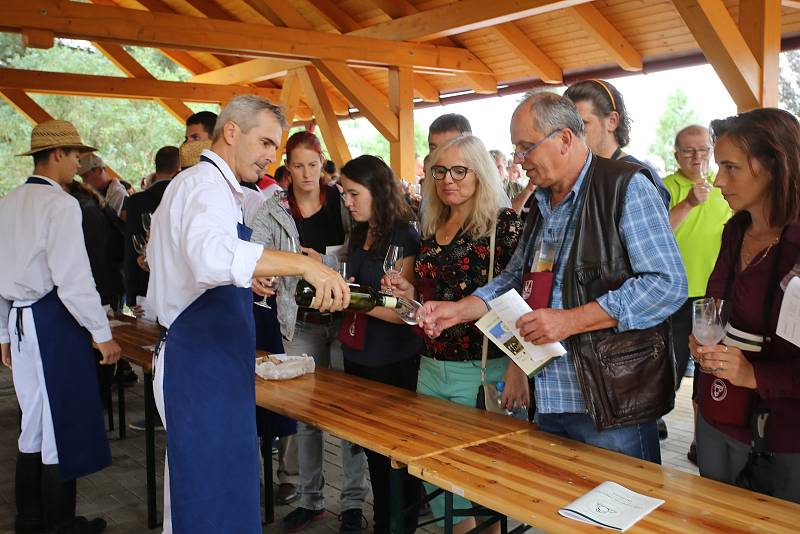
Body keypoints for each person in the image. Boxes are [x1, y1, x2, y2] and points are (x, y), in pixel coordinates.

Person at [421, 92, 686, 466]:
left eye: (527, 147)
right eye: (516, 149)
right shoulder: (543, 203)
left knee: (617, 518)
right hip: (549, 396)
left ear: (564, 139)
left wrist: (570, 321)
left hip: (610, 401)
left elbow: (666, 284)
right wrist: (460, 310)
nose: (519, 159)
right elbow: (517, 277)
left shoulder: (625, 186)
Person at [146, 95, 350, 533]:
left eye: (274, 148)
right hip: (197, 360)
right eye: (264, 143)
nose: (268, 157)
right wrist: (302, 263)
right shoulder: (204, 185)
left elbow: (198, 263)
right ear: (232, 132)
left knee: (214, 485)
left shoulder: (214, 187)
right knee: (207, 492)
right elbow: (209, 256)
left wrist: (244, 277)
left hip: (213, 359)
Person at [384, 135, 520, 534]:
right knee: (434, 472)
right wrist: (407, 295)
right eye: (440, 171)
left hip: (480, 370)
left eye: (460, 170)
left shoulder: (504, 225)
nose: (448, 180)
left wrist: (517, 367)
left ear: (481, 174)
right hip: (431, 364)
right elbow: (429, 300)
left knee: (478, 482)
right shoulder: (431, 225)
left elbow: (520, 301)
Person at [0, 119, 122, 534]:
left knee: (33, 421)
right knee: (58, 422)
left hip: (20, 319)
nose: (77, 163)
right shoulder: (61, 205)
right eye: (73, 155)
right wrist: (102, 335)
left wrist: (3, 331)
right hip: (51, 320)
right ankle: (60, 522)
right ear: (56, 155)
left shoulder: (9, 201)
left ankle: (30, 518)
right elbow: (73, 278)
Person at [690, 108, 800, 504]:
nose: (718, 180)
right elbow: (717, 308)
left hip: (785, 438)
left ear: (774, 164)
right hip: (719, 416)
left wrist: (755, 375)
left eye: (730, 167)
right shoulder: (735, 232)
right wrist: (700, 341)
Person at [280, 131, 369, 534]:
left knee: (349, 414)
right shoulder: (279, 207)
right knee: (306, 415)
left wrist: (324, 258)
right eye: (298, 165)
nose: (306, 173)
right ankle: (311, 499)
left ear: (322, 164)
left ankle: (352, 502)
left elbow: (362, 248)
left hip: (344, 316)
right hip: (302, 319)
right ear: (287, 166)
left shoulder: (341, 201)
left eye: (312, 165)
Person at [339, 155, 424, 534]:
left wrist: (353, 300)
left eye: (354, 193)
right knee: (373, 451)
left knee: (393, 456)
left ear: (378, 191)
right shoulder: (360, 230)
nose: (347, 201)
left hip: (392, 359)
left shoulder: (403, 235)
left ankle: (394, 523)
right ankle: (387, 520)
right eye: (344, 193)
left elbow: (404, 311)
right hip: (359, 354)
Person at [662, 125, 731, 450]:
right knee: (670, 364)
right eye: (689, 150)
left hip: (714, 296)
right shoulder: (665, 187)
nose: (697, 157)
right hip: (674, 293)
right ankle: (654, 416)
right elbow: (659, 234)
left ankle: (698, 439)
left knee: (707, 367)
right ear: (676, 154)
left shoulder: (725, 187)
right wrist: (688, 203)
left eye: (703, 149)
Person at [250, 188, 303, 507]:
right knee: (249, 394)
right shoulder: (205, 199)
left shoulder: (261, 200)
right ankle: (254, 475)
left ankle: (289, 475)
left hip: (271, 308)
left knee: (284, 393)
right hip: (240, 308)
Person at [564, 79, 670, 209]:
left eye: (582, 124)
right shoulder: (576, 175)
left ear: (612, 121)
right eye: (567, 126)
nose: (571, 135)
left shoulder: (637, 179)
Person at [77, 153, 129, 219]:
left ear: (99, 170)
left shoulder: (119, 194)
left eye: (86, 176)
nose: (84, 181)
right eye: (82, 178)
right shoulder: (95, 193)